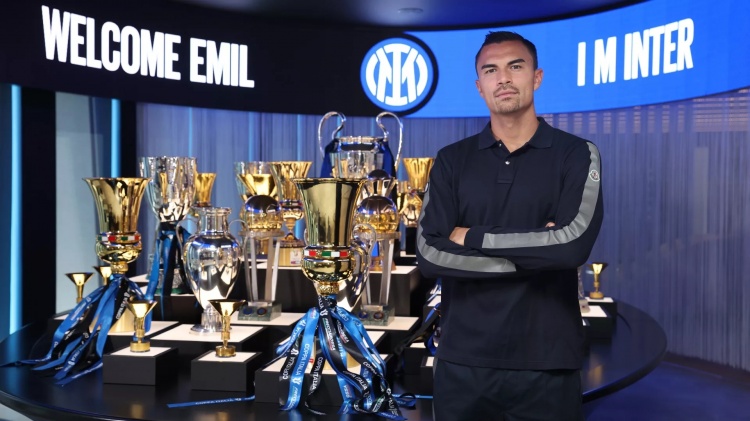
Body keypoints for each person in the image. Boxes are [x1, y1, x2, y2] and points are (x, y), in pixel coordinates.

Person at [416, 31, 603, 420]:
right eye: (491, 70)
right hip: (463, 362)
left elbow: (571, 247)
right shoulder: (451, 160)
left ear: (537, 77)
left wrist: (471, 235)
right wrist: (537, 253)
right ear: (479, 86)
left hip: (548, 363)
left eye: (515, 66)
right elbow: (430, 254)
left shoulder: (576, 154)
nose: (503, 78)